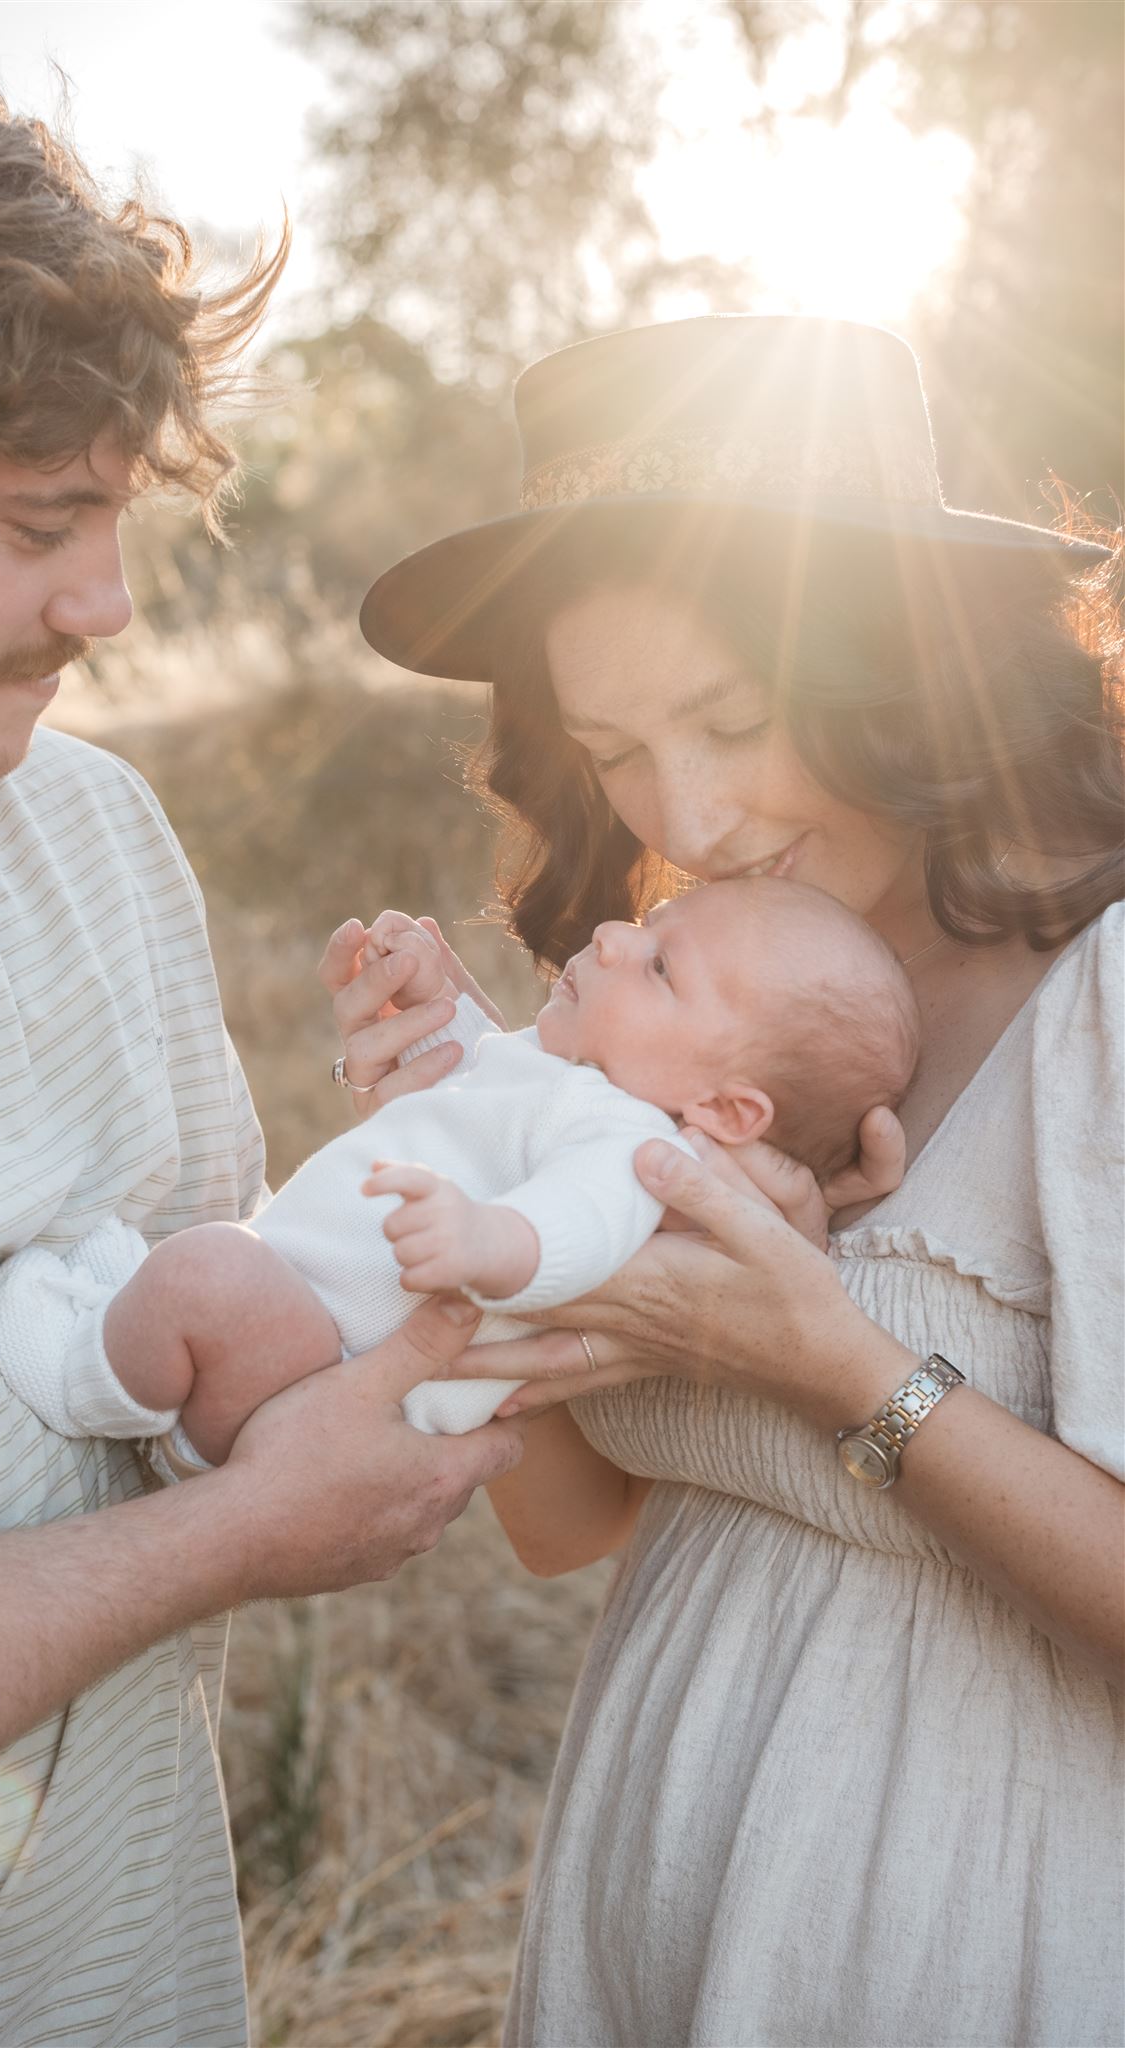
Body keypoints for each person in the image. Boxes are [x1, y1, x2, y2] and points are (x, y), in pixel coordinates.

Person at [0, 35, 523, 2048]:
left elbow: (233, 1356)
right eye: (37, 526)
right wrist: (236, 1539)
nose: (106, 599)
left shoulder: (94, 829)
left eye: (115, 516)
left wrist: (523, 1145)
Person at [330, 315, 1125, 2045]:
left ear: (909, 666)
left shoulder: (1106, 994)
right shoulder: (686, 1024)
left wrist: (834, 1359)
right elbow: (570, 1526)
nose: (680, 806)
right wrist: (468, 1182)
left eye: (738, 715)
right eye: (614, 744)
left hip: (974, 1949)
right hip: (663, 1926)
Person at [0, 880, 917, 1458]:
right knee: (206, 1264)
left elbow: (577, 1226)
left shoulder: (639, 1150)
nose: (609, 938)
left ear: (725, 1111)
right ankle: (134, 1337)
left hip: (330, 1365)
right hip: (308, 1311)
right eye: (645, 921)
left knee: (206, 1268)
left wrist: (487, 1241)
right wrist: (435, 1005)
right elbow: (488, 1088)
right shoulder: (567, 1082)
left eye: (661, 968)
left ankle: (83, 1380)